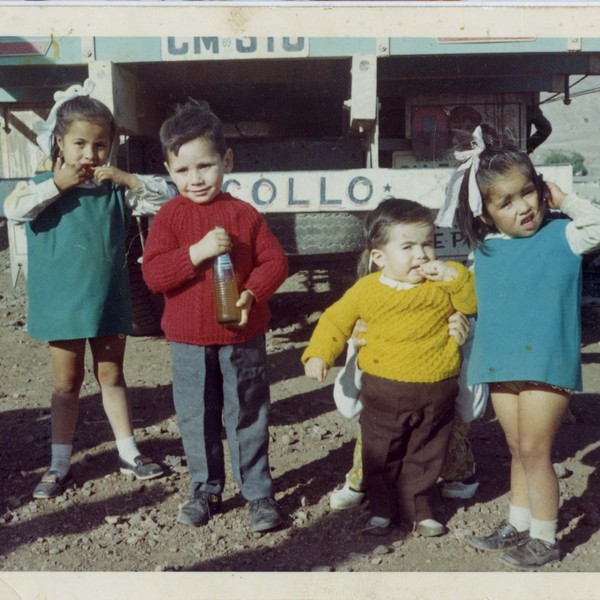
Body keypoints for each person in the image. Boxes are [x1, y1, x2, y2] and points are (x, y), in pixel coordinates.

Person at [436, 125, 600, 570]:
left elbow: (598, 224)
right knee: (517, 447)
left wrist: (566, 200)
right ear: (485, 213)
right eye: (505, 202)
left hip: (547, 362)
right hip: (500, 360)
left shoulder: (565, 235)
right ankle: (518, 522)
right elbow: (470, 298)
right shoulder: (485, 248)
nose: (523, 207)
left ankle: (545, 537)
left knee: (536, 448)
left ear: (540, 190)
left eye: (527, 193)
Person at [3, 79, 173, 499]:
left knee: (112, 374)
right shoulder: (42, 186)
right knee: (67, 382)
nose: (89, 155)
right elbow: (14, 209)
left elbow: (169, 199)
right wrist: (59, 182)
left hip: (108, 300)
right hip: (61, 303)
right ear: (59, 142)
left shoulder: (115, 189)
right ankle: (60, 462)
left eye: (99, 146)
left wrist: (127, 177)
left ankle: (129, 451)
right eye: (79, 144)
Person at [141, 100, 289, 534]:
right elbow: (153, 275)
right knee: (195, 415)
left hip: (241, 336)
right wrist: (196, 253)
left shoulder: (243, 214)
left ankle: (258, 493)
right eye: (183, 170)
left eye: (205, 166)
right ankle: (205, 488)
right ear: (169, 170)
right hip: (188, 340)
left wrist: (252, 293)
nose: (195, 178)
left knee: (246, 411)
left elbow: (275, 262)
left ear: (227, 161)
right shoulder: (168, 217)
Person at [303, 198, 477, 537]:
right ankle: (382, 509)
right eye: (408, 246)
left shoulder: (444, 285)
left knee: (426, 451)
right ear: (379, 257)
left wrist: (453, 275)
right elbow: (335, 319)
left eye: (428, 244)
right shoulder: (368, 289)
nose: (421, 254)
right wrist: (319, 353)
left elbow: (471, 301)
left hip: (436, 389)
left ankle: (419, 509)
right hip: (384, 388)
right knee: (380, 450)